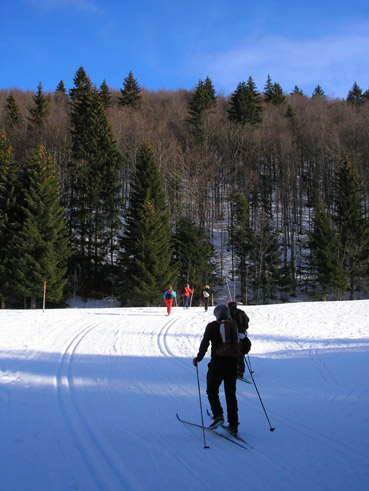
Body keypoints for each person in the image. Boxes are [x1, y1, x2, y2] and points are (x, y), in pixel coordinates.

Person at [192, 304, 239, 436]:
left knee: (212, 390)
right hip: (232, 364)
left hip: (217, 363)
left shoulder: (212, 326)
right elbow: (243, 344)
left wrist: (198, 358)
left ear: (216, 315)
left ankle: (218, 415)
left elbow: (205, 343)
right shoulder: (233, 326)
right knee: (231, 394)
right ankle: (234, 425)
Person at [228, 301, 250, 379]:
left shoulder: (230, 312)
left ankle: (236, 371)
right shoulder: (241, 312)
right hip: (243, 334)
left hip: (235, 334)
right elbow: (248, 320)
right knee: (241, 353)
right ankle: (241, 371)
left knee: (235, 353)